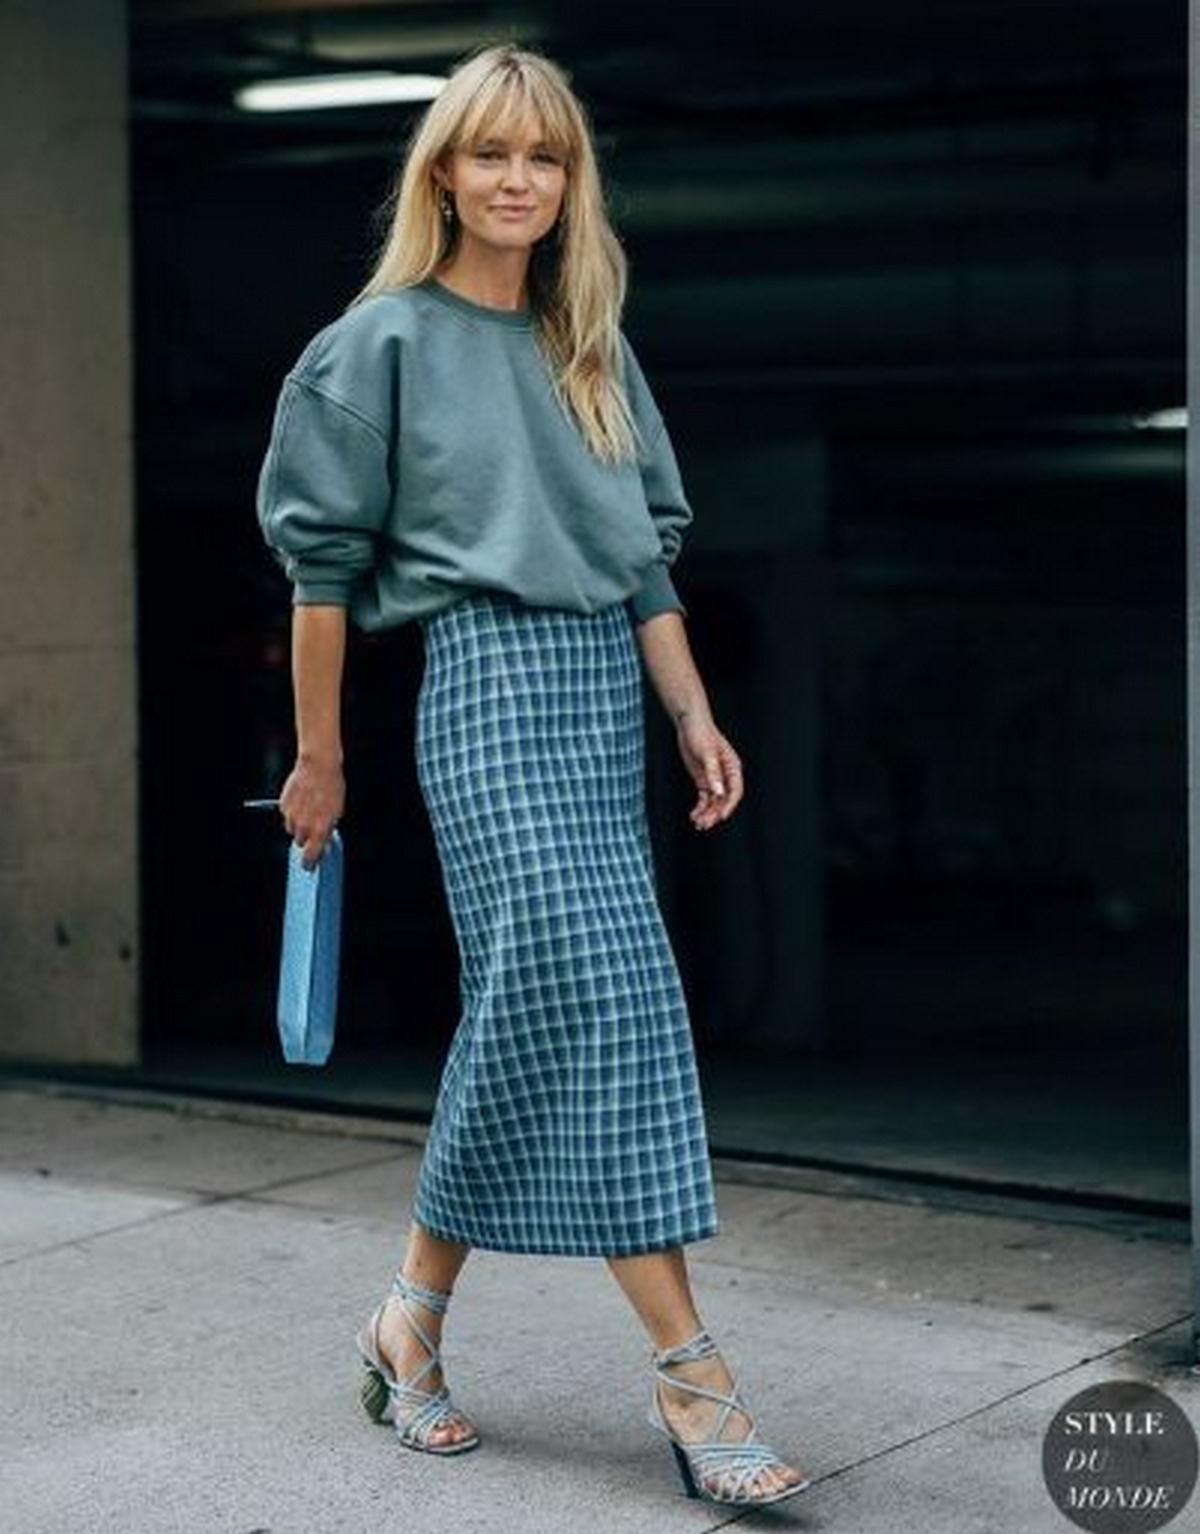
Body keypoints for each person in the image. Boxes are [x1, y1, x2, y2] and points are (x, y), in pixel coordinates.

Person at [255, 39, 810, 1510]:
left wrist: (690, 712)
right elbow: (320, 575)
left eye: (545, 157)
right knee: (607, 998)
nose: (518, 179)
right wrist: (321, 759)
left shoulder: (591, 345)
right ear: (443, 171)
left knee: (531, 1009)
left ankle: (409, 1315)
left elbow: (643, 566)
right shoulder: (374, 343)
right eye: (491, 153)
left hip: (599, 702)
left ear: (572, 183)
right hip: (485, 693)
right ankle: (695, 1374)